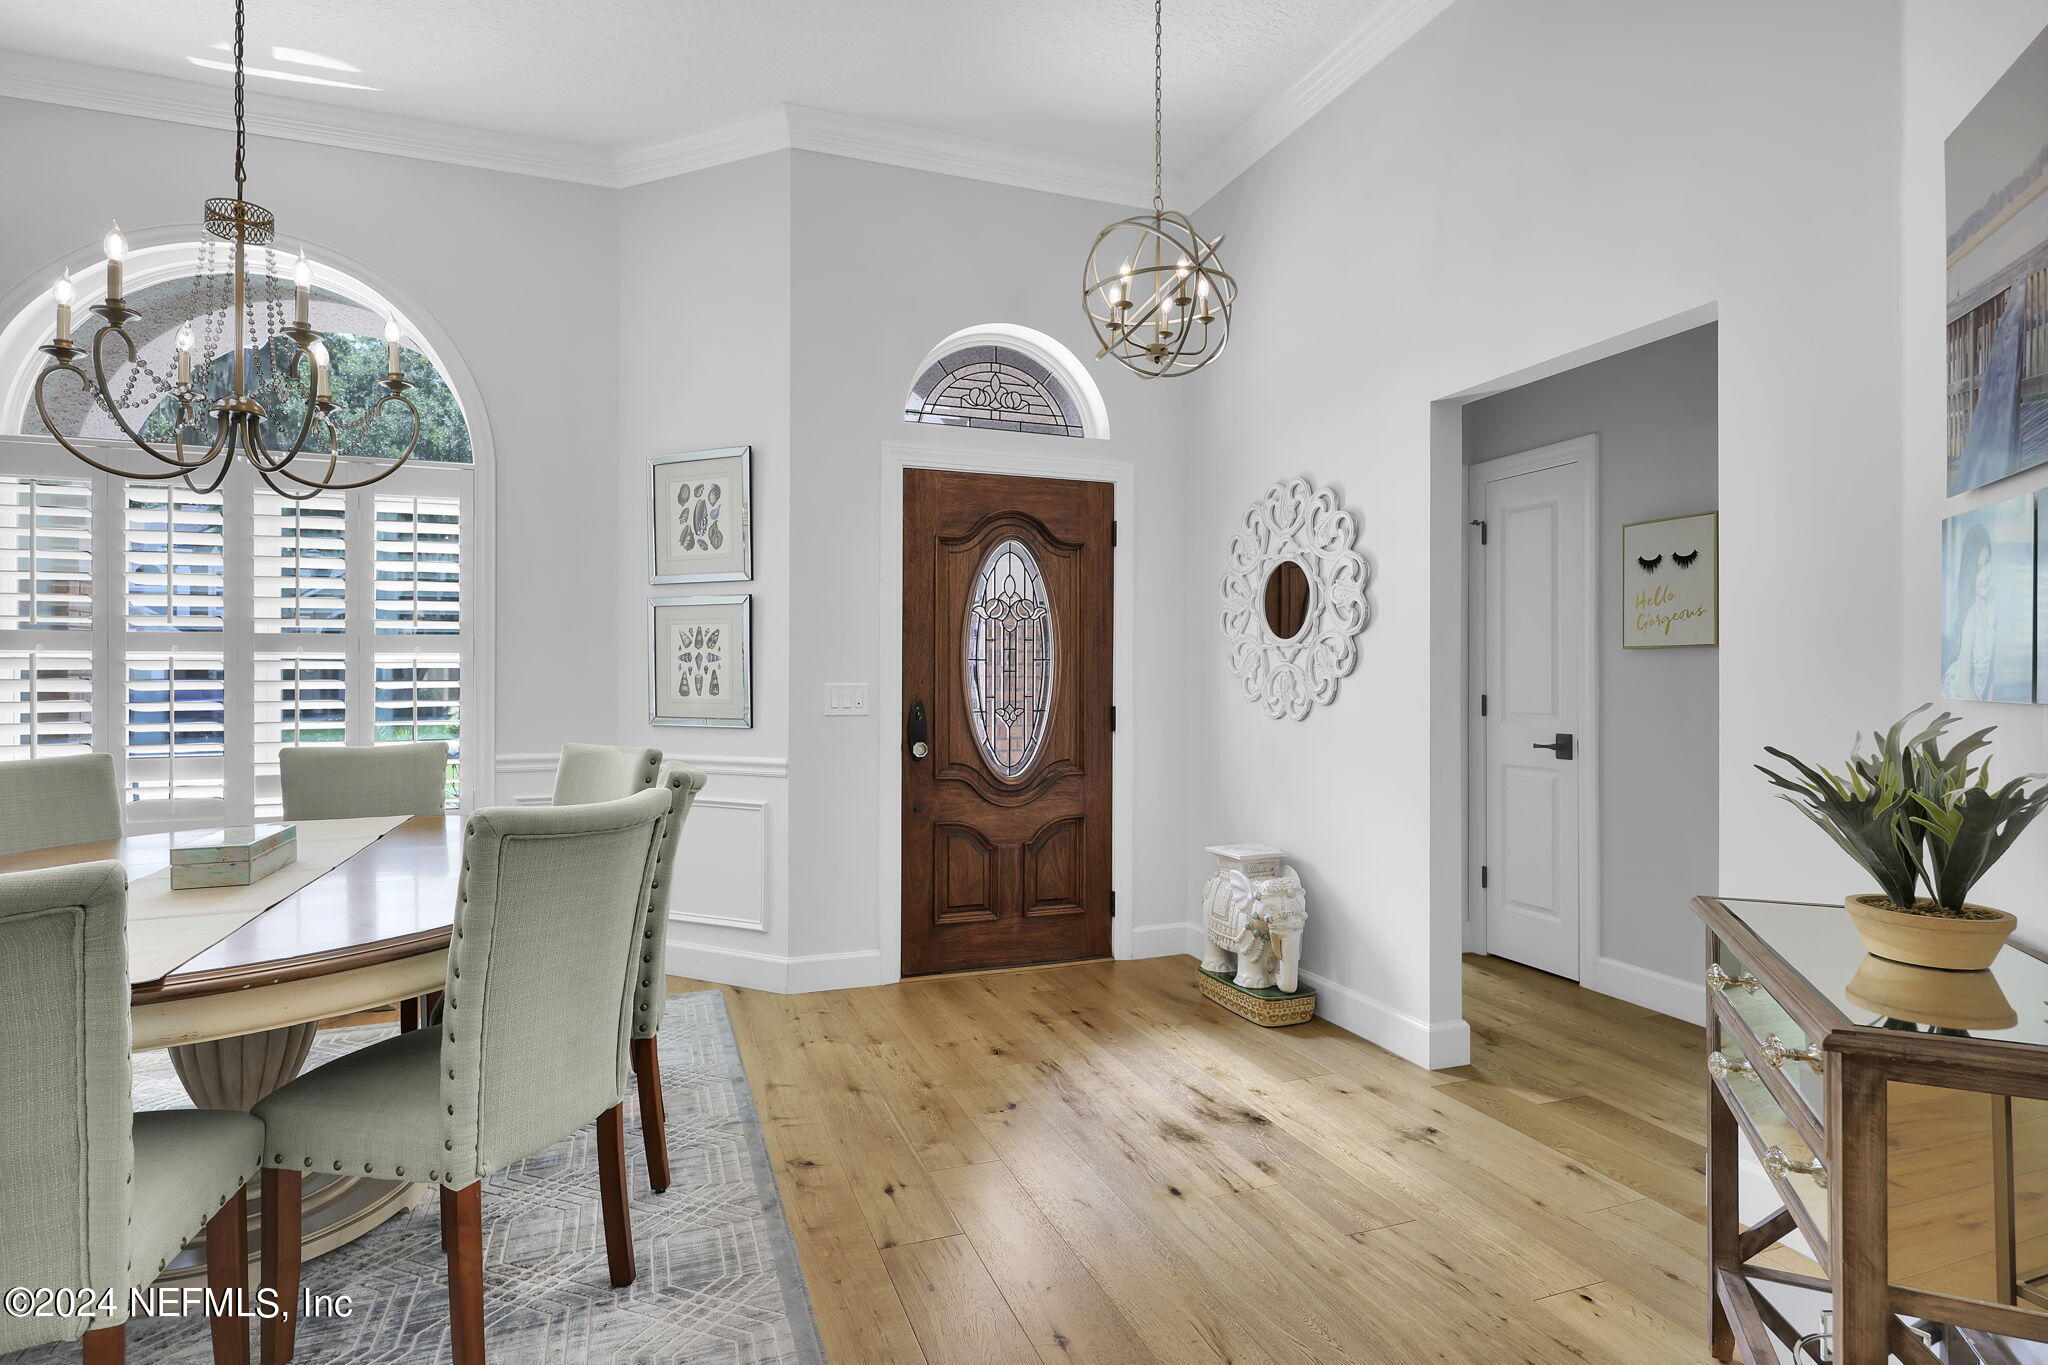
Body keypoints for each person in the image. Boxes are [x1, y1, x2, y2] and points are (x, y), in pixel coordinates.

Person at [1943, 522, 1998, 700]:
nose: (1984, 575)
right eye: (1977, 569)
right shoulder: (1971, 615)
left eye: (1987, 562)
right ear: (1969, 572)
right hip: (1958, 695)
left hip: (1976, 699)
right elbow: (1964, 686)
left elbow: (1991, 673)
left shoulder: (1993, 606)